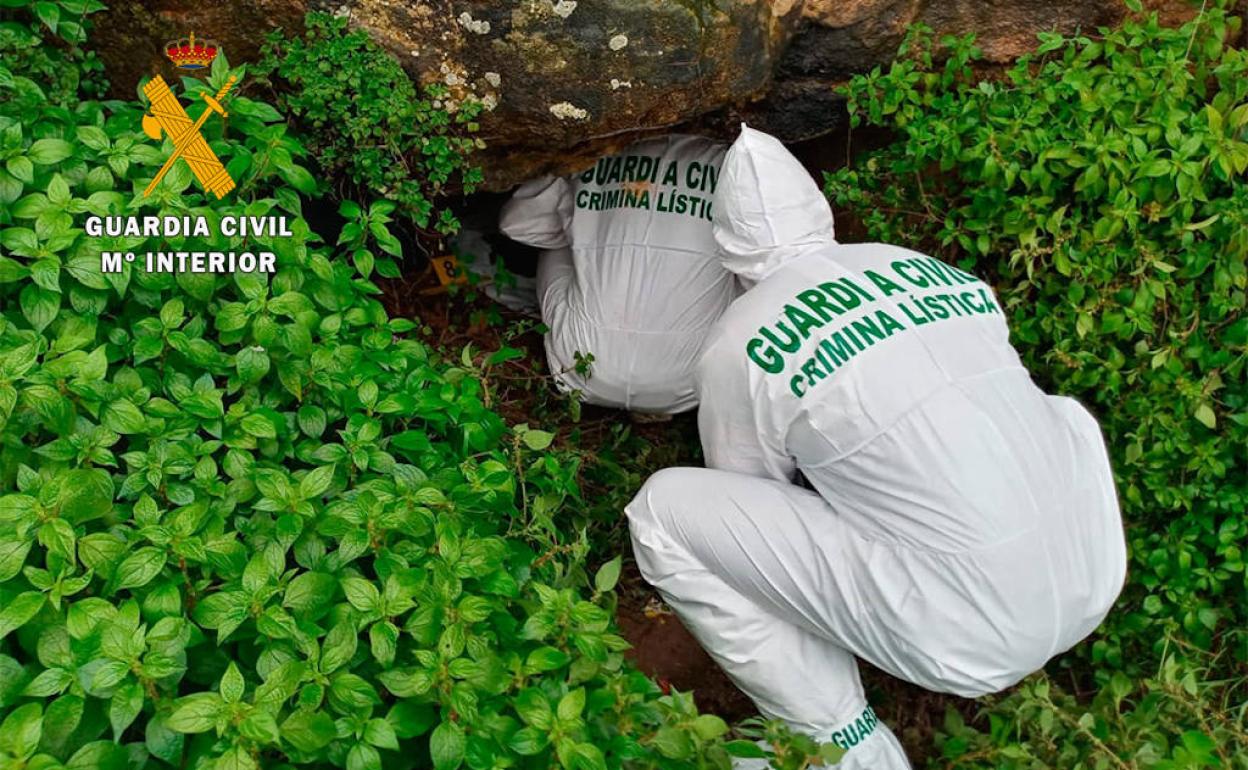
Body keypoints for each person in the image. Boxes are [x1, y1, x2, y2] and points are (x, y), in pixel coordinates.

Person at [625, 126, 1128, 769]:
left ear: (726, 245)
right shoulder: (921, 265)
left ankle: (840, 742)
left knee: (665, 512)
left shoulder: (742, 337)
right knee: (1058, 414)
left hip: (967, 637)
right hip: (1092, 571)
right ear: (820, 210)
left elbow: (750, 493)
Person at [499, 135, 735, 415]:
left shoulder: (592, 150)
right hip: (686, 385)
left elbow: (516, 224)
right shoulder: (731, 164)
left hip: (582, 369)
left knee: (565, 243)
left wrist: (585, 232)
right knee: (738, 259)